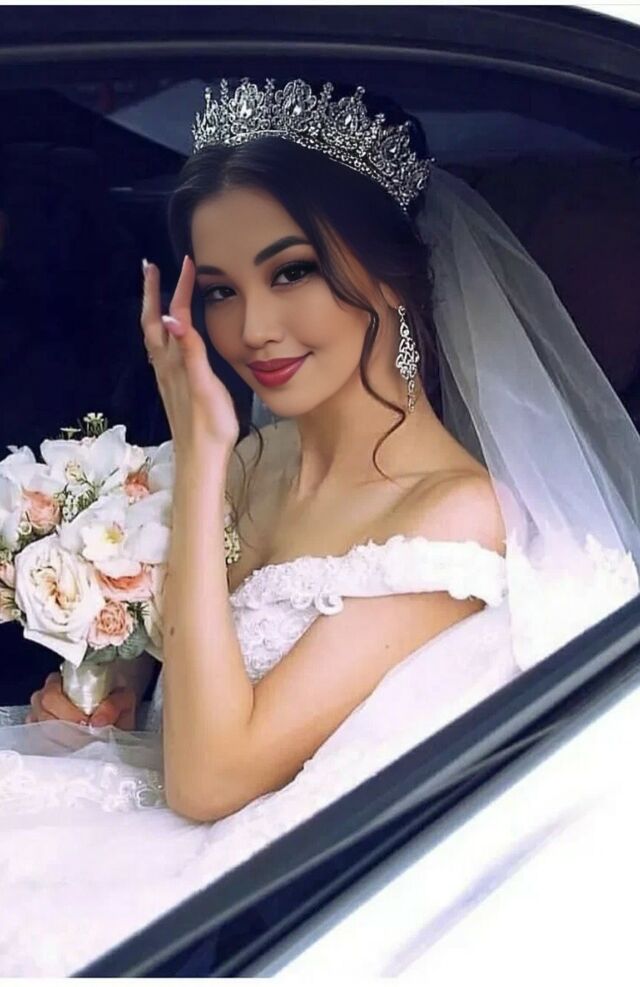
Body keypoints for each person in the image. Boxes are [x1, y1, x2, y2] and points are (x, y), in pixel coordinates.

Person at [0, 75, 639, 976]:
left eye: (291, 271)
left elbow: (211, 781)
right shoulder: (256, 461)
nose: (253, 328)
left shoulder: (452, 517)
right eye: (220, 290)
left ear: (394, 275)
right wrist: (104, 682)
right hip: (124, 812)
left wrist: (201, 450)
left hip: (262, 903)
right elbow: (169, 656)